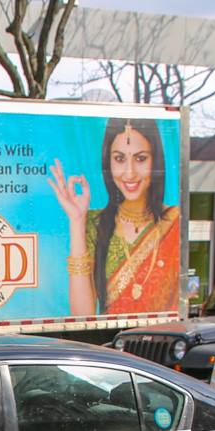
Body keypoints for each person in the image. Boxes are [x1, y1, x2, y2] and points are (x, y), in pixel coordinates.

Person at [48, 119, 182, 316]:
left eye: (140, 158)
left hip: (162, 342)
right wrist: (77, 221)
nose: (130, 173)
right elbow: (82, 316)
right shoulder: (95, 223)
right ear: (108, 162)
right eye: (119, 159)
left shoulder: (175, 222)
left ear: (156, 161)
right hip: (110, 343)